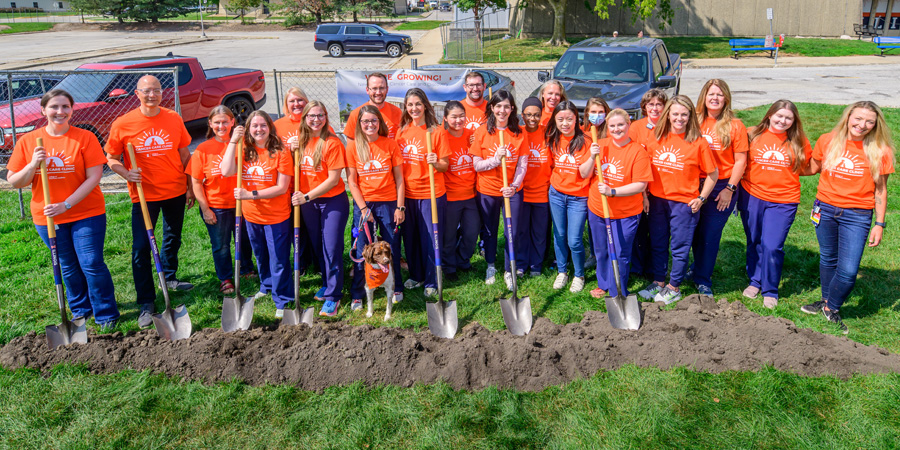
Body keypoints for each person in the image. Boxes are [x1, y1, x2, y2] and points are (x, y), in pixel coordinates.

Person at [7, 89, 120, 331]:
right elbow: (16, 181)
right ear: (43, 110)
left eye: (65, 107)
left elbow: (94, 177)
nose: (60, 112)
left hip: (86, 211)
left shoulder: (84, 138)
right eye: (54, 107)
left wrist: (66, 203)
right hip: (47, 215)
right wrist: (33, 164)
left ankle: (106, 313)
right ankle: (80, 310)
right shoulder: (28, 142)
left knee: (91, 262)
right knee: (67, 264)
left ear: (72, 109)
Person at [105, 75, 194, 329]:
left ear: (162, 93)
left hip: (175, 189)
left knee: (172, 235)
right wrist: (125, 173)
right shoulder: (123, 123)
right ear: (137, 94)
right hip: (144, 194)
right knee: (141, 248)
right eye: (147, 91)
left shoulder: (173, 118)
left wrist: (189, 186)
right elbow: (111, 157)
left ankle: (169, 276)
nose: (152, 95)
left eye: (156, 90)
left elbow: (185, 152)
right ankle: (146, 301)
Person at [800, 101, 895, 334]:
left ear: (876, 124)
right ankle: (826, 304)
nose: (862, 125)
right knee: (828, 258)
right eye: (858, 118)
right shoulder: (828, 140)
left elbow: (880, 190)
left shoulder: (881, 150)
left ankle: (831, 307)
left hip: (857, 214)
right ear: (848, 117)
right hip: (825, 208)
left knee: (849, 270)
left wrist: (879, 224)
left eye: (869, 121)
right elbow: (812, 167)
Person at [638, 95, 718, 305]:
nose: (679, 118)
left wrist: (701, 198)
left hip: (684, 203)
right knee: (658, 242)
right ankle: (658, 281)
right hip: (657, 200)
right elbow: (647, 170)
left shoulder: (698, 142)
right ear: (668, 115)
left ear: (690, 116)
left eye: (684, 114)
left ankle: (674, 286)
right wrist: (645, 195)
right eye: (675, 114)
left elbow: (712, 174)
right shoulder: (655, 137)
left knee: (680, 247)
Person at [219, 111, 293, 317]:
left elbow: (282, 187)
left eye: (263, 125)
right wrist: (233, 141)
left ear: (270, 127)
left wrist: (250, 194)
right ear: (248, 129)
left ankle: (282, 298)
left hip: (276, 215)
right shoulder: (244, 149)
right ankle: (266, 285)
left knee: (278, 258)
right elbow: (226, 171)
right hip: (252, 216)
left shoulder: (281, 151)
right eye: (254, 126)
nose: (259, 129)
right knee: (261, 254)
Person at [739, 100, 812, 309]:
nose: (783, 121)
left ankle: (770, 289)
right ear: (769, 115)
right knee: (754, 240)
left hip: (783, 200)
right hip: (751, 195)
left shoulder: (798, 141)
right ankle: (755, 280)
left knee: (772, 245)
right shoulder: (751, 134)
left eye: (788, 118)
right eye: (779, 116)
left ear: (794, 121)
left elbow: (807, 167)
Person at [582, 109, 652, 298]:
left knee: (620, 253)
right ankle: (603, 283)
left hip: (625, 213)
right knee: (601, 249)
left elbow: (640, 184)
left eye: (620, 125)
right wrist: (590, 156)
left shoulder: (638, 151)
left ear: (628, 125)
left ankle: (617, 289)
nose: (616, 129)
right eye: (612, 126)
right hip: (597, 208)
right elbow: (583, 173)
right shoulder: (600, 145)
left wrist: (613, 192)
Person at [689, 79, 748, 296]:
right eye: (711, 94)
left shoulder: (735, 125)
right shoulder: (693, 120)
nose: (715, 98)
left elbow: (740, 161)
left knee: (710, 234)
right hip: (694, 184)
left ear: (726, 99)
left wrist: (730, 188)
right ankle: (696, 268)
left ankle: (703, 279)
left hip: (722, 186)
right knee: (694, 231)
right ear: (704, 96)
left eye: (720, 95)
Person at [187, 106, 254, 295]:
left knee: (245, 239)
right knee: (221, 244)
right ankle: (225, 278)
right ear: (210, 124)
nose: (221, 126)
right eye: (217, 122)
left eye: (225, 121)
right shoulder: (203, 149)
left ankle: (246, 269)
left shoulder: (245, 144)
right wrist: (205, 209)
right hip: (217, 206)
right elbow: (196, 182)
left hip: (242, 202)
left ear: (233, 122)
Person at [292, 101, 349, 316]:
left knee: (332, 247)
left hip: (332, 201)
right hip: (309, 204)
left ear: (326, 117)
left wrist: (306, 196)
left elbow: (334, 179)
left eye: (320, 115)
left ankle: (334, 296)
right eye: (311, 116)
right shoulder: (301, 142)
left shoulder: (332, 143)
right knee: (319, 247)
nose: (316, 120)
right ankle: (327, 284)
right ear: (304, 118)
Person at [346, 105, 405, 309]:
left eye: (373, 120)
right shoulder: (354, 147)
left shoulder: (390, 144)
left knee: (392, 246)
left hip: (389, 203)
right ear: (359, 125)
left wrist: (400, 207)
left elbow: (399, 179)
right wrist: (363, 209)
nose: (370, 124)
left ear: (379, 123)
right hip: (365, 203)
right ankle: (358, 292)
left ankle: (395, 287)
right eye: (365, 121)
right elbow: (352, 182)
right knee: (364, 249)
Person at [470, 89, 528, 288]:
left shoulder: (520, 133)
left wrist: (514, 186)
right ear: (492, 108)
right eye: (498, 106)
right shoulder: (482, 131)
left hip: (511, 191)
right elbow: (477, 165)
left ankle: (509, 268)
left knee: (512, 230)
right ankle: (491, 265)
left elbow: (522, 165)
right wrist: (495, 160)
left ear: (512, 109)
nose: (502, 110)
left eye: (507, 106)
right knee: (489, 230)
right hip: (487, 189)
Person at [395, 88, 450, 297]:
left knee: (430, 238)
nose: (414, 108)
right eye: (410, 105)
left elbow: (445, 165)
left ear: (425, 105)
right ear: (406, 108)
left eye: (418, 104)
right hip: (408, 194)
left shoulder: (435, 131)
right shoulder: (402, 131)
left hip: (431, 193)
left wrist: (435, 161)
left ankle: (431, 279)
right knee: (411, 237)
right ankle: (416, 275)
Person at [547, 100, 593, 293]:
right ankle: (562, 271)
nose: (565, 123)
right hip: (556, 194)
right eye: (560, 119)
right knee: (559, 235)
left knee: (574, 239)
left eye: (569, 119)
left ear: (577, 119)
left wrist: (592, 156)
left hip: (578, 197)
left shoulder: (586, 141)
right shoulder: (552, 138)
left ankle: (579, 274)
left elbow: (584, 173)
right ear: (555, 120)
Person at [628, 89, 668, 278]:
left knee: (658, 230)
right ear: (644, 106)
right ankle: (637, 266)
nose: (654, 108)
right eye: (650, 104)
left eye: (659, 104)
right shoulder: (636, 127)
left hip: (662, 187)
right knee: (639, 230)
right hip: (640, 187)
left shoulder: (669, 127)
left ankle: (654, 268)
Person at [439, 100, 479, 281]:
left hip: (471, 194)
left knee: (471, 232)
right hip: (450, 196)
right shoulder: (442, 137)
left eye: (461, 116)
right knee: (448, 235)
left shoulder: (473, 135)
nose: (458, 120)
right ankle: (449, 266)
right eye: (453, 117)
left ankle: (463, 260)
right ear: (446, 118)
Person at [518, 96, 551, 276]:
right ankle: (522, 264)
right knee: (522, 231)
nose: (532, 118)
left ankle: (536, 265)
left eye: (537, 115)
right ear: (522, 115)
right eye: (528, 115)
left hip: (542, 193)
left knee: (539, 232)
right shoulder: (518, 133)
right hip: (522, 193)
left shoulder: (547, 133)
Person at [343, 73, 403, 140]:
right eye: (374, 88)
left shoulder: (397, 112)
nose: (378, 92)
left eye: (382, 88)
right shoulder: (356, 114)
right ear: (367, 90)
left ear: (387, 89)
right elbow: (350, 144)